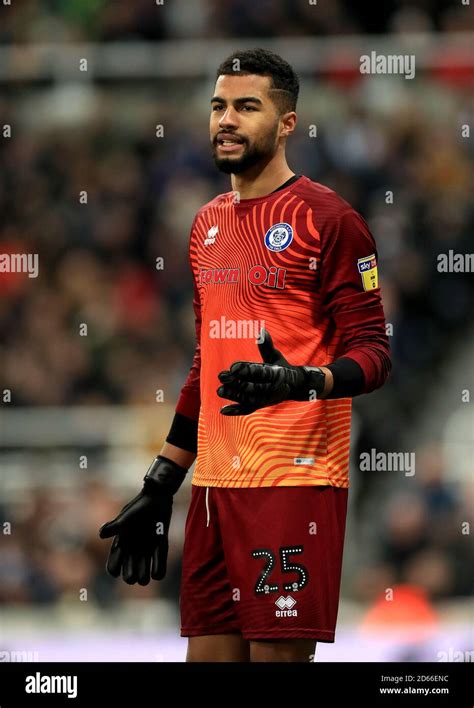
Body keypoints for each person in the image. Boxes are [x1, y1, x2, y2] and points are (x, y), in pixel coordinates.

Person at [99, 48, 391, 662]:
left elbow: (374, 354)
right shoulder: (206, 224)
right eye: (218, 106)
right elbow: (206, 367)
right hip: (213, 487)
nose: (226, 120)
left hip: (294, 481)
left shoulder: (330, 220)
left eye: (246, 107)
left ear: (286, 124)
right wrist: (161, 482)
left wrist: (302, 381)